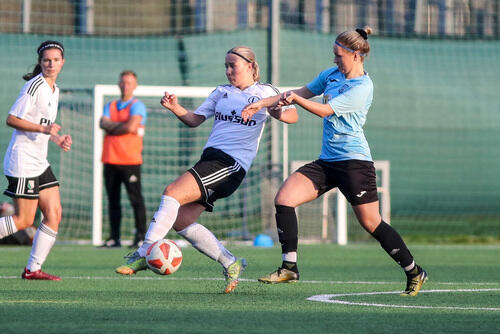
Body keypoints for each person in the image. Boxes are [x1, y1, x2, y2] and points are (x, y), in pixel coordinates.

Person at [242, 27, 428, 297]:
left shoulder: (363, 86)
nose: (335, 60)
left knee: (371, 223)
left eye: (339, 56)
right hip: (327, 162)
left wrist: (295, 101)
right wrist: (261, 103)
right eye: (333, 54)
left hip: (354, 163)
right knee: (284, 198)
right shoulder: (330, 75)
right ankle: (289, 267)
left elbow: (325, 110)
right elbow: (300, 91)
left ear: (356, 55)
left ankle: (414, 271)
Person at [115, 46, 298, 293]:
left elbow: (293, 116)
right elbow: (194, 120)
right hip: (209, 161)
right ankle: (230, 262)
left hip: (230, 164)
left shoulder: (265, 92)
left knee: (172, 192)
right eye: (226, 66)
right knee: (181, 220)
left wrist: (276, 112)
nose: (228, 70)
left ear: (251, 66)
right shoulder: (220, 92)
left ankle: (145, 250)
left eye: (233, 65)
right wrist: (175, 108)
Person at [0, 40, 72, 280]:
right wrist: (45, 131)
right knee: (24, 219)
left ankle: (32, 269)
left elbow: (42, 126)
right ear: (40, 62)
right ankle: (32, 270)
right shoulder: (34, 86)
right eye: (46, 60)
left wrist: (57, 139)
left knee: (54, 213)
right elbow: (12, 119)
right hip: (23, 162)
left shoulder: (55, 89)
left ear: (63, 62)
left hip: (40, 162)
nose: (51, 64)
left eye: (55, 60)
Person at [99, 70, 148, 248]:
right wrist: (123, 127)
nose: (125, 85)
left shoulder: (137, 105)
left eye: (129, 82)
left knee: (136, 200)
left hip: (130, 161)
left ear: (135, 85)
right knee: (113, 201)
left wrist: (114, 127)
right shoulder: (110, 105)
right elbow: (102, 123)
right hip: (110, 159)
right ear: (118, 83)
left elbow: (131, 126)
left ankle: (141, 236)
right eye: (123, 82)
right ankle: (114, 238)